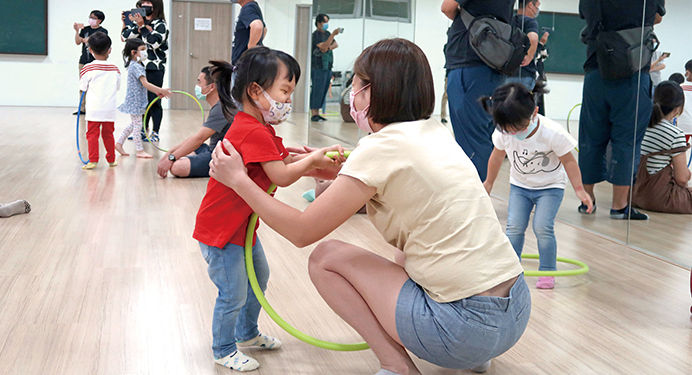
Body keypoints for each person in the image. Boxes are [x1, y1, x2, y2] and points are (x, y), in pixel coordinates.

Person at [209, 39, 530, 375]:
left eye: (356, 84)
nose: (352, 93)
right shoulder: (434, 132)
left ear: (374, 90)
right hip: (516, 312)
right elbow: (375, 175)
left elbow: (302, 232)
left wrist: (240, 182)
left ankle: (397, 365)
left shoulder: (379, 148)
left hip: (463, 329)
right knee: (406, 255)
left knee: (325, 257)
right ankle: (475, 357)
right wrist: (313, 164)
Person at [192, 47, 343, 372]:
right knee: (233, 293)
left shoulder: (257, 128)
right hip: (222, 232)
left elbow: (281, 160)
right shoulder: (251, 129)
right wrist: (312, 161)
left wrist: (312, 158)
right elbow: (281, 176)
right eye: (284, 92)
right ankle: (223, 348)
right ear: (256, 91)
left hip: (241, 229)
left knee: (258, 278)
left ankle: (247, 333)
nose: (287, 102)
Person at [482, 82, 593, 289]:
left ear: (535, 112)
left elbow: (569, 161)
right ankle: (511, 270)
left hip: (550, 188)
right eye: (509, 130)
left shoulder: (552, 133)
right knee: (514, 228)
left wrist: (579, 189)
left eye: (519, 128)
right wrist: (488, 182)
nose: (514, 134)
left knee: (542, 227)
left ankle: (547, 271)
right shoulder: (503, 132)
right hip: (519, 186)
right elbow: (496, 158)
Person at [577, 0, 665, 220]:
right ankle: (619, 206)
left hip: (595, 68)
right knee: (627, 141)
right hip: (632, 71)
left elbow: (586, 16)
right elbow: (656, 18)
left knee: (590, 138)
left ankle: (587, 200)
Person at [441, 0, 517, 182]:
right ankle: (482, 193)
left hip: (468, 60)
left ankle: (473, 200)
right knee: (485, 135)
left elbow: (447, 7)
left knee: (471, 140)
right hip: (493, 63)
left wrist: (461, 14)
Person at [156, 64, 234, 178]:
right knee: (188, 148)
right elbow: (196, 138)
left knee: (176, 167)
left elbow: (200, 138)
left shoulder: (221, 108)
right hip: (212, 150)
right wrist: (170, 154)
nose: (197, 86)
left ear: (211, 87)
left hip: (220, 157)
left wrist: (171, 158)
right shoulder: (222, 104)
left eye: (199, 82)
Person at [634, 81, 692, 214]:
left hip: (632, 193)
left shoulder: (639, 125)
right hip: (658, 198)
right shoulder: (675, 134)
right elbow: (682, 180)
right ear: (678, 108)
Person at [115, 39, 172, 159]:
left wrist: (158, 92)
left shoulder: (137, 65)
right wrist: (161, 90)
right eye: (142, 50)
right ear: (133, 52)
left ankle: (119, 144)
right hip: (136, 101)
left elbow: (143, 86)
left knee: (133, 124)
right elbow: (145, 84)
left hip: (138, 100)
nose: (145, 52)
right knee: (137, 126)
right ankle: (139, 150)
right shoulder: (136, 66)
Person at [122, 0, 169, 143]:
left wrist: (142, 26)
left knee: (154, 100)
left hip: (154, 67)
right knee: (142, 101)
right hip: (138, 67)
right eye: (142, 3)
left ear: (156, 5)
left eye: (148, 2)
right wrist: (126, 23)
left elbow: (154, 42)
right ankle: (142, 130)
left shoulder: (160, 24)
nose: (144, 6)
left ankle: (155, 132)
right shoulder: (139, 23)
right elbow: (125, 37)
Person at [79, 32, 121, 170]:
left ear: (90, 50)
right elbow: (117, 87)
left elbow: (83, 87)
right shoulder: (115, 68)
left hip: (93, 109)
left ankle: (93, 160)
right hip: (109, 109)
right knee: (108, 134)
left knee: (92, 134)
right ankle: (111, 159)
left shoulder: (87, 67)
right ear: (110, 49)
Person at [73, 10, 107, 115]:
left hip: (97, 62)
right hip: (84, 61)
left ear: (99, 20)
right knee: (83, 86)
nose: (91, 19)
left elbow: (94, 42)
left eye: (94, 18)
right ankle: (82, 109)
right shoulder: (85, 29)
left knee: (96, 86)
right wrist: (77, 31)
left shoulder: (103, 31)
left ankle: (95, 108)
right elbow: (78, 42)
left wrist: (85, 40)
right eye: (90, 17)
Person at [504, 0, 541, 90]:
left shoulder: (508, 21)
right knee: (522, 103)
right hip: (525, 75)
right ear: (530, 5)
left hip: (505, 73)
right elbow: (533, 38)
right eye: (537, 6)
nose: (537, 10)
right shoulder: (530, 22)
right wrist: (528, 56)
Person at [310, 13, 339, 122]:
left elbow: (334, 45)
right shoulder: (315, 35)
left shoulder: (327, 34)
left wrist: (328, 48)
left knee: (323, 89)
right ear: (319, 23)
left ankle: (318, 112)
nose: (326, 24)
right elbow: (323, 46)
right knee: (317, 89)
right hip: (318, 66)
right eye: (325, 22)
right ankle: (314, 113)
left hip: (327, 66)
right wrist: (332, 36)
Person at [231, 0, 267, 65]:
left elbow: (258, 27)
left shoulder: (248, 8)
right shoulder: (252, 6)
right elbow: (264, 30)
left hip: (244, 65)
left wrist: (251, 48)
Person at [675, 60, 692, 143]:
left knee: (681, 151)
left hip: (683, 126)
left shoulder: (680, 88)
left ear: (687, 72)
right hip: (684, 125)